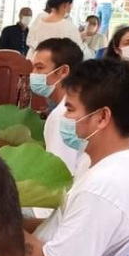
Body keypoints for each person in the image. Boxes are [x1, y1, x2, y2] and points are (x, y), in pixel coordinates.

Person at [24, 60, 129, 256]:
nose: (64, 117)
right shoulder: (102, 161)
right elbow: (60, 225)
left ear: (102, 117)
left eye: (70, 109)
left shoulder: (105, 187)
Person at [30, 37, 85, 174]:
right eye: (33, 68)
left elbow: (59, 174)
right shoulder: (84, 102)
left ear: (63, 71)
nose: (33, 74)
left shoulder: (63, 115)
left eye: (40, 68)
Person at [27, 0, 91, 60]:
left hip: (35, 63)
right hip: (58, 67)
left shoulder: (39, 21)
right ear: (66, 5)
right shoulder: (68, 27)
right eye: (71, 4)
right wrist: (81, 39)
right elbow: (79, 52)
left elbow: (30, 43)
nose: (71, 6)